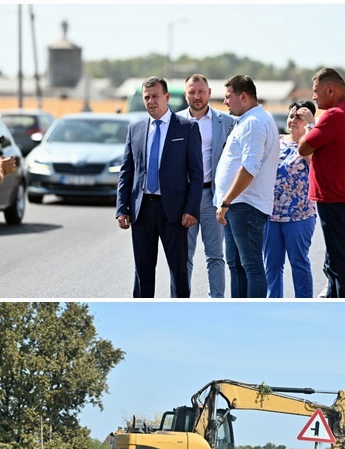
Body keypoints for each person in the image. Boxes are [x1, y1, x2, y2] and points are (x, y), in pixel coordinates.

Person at [116, 76, 203, 298]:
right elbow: (127, 170)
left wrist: (191, 209)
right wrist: (122, 208)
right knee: (142, 271)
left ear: (166, 97)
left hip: (174, 212)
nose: (151, 101)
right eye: (147, 97)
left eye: (155, 96)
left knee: (179, 272)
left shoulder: (187, 128)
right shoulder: (135, 128)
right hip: (142, 210)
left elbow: (196, 174)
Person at [298, 68, 345, 298]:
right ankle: (333, 303)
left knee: (341, 267)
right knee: (335, 263)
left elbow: (303, 148)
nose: (314, 97)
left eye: (317, 91)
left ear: (330, 89)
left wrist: (310, 126)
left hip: (338, 201)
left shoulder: (335, 115)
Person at [214, 75, 279, 298]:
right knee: (236, 265)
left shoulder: (254, 123)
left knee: (250, 266)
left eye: (228, 97)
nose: (225, 102)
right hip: (237, 206)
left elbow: (250, 167)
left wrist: (226, 201)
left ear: (243, 96)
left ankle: (256, 315)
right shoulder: (249, 120)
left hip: (245, 206)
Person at [173, 74, 236, 298]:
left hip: (212, 197)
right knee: (184, 256)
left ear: (209, 93)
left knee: (215, 255)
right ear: (185, 94)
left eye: (201, 92)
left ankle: (217, 299)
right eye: (192, 92)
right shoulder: (175, 122)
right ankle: (180, 300)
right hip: (184, 198)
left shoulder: (226, 122)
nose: (197, 96)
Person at [264, 101, 317, 298]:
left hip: (300, 216)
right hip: (271, 215)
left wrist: (312, 125)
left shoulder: (311, 145)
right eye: (291, 116)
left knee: (299, 263)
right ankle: (273, 305)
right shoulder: (276, 140)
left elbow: (317, 165)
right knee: (272, 265)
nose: (293, 120)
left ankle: (304, 304)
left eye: (299, 117)